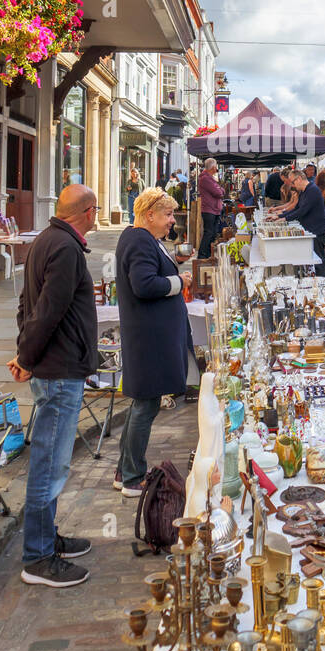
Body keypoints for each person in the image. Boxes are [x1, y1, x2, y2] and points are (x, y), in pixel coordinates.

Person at [10, 184, 99, 588]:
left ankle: (48, 538)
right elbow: (46, 310)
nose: (97, 218)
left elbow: (27, 305)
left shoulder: (49, 239)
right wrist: (27, 358)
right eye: (95, 211)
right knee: (50, 464)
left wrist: (24, 353)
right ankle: (38, 557)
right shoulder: (63, 248)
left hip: (56, 365)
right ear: (86, 212)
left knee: (53, 461)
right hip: (58, 370)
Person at [112, 188, 194, 497]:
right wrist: (179, 281)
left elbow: (149, 269)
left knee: (141, 405)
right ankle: (133, 478)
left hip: (149, 333)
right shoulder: (138, 240)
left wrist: (173, 261)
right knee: (145, 405)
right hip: (149, 336)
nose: (172, 221)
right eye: (168, 214)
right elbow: (144, 285)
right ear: (150, 215)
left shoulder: (143, 239)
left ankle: (124, 470)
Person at [280, 168, 325, 275]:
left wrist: (284, 218)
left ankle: (321, 283)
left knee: (318, 260)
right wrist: (280, 216)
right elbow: (296, 208)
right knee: (313, 260)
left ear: (298, 179)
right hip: (311, 230)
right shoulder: (304, 191)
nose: (293, 185)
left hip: (317, 230)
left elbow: (302, 211)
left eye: (293, 182)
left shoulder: (312, 190)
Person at [198, 157, 224, 259]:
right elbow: (218, 192)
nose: (216, 169)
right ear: (213, 167)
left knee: (212, 233)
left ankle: (208, 254)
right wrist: (220, 189)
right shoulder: (205, 178)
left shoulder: (210, 178)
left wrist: (220, 189)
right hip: (209, 210)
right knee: (209, 233)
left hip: (213, 209)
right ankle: (202, 255)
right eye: (216, 166)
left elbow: (220, 190)